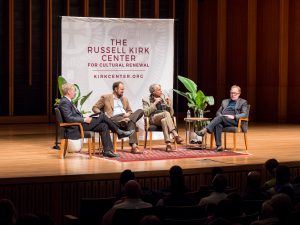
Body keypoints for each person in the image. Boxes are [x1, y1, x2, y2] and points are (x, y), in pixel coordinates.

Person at [58, 83, 134, 158]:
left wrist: (85, 118)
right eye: (74, 91)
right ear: (69, 92)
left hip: (79, 124)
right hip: (76, 127)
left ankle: (108, 151)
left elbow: (72, 116)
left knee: (104, 126)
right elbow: (69, 118)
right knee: (102, 115)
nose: (75, 93)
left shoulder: (68, 101)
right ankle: (119, 132)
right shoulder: (65, 102)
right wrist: (84, 119)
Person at [92, 81, 144, 154]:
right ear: (115, 89)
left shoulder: (125, 99)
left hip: (124, 117)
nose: (123, 91)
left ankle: (127, 120)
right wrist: (103, 114)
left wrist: (128, 114)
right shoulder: (106, 97)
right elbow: (95, 108)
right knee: (131, 122)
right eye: (121, 89)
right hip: (113, 118)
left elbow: (130, 111)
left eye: (123, 90)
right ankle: (134, 147)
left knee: (140, 111)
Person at [196, 85, 248, 151]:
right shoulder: (225, 101)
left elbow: (244, 114)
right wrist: (222, 116)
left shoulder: (243, 102)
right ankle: (219, 146)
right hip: (223, 119)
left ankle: (205, 130)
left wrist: (234, 116)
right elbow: (218, 112)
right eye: (231, 93)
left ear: (239, 94)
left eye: (235, 93)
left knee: (220, 118)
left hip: (234, 121)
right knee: (218, 124)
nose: (232, 95)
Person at [142, 84, 183, 151]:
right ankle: (175, 134)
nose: (161, 91)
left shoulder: (163, 98)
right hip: (153, 119)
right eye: (159, 90)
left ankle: (168, 144)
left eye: (161, 89)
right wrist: (154, 103)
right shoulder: (146, 99)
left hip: (163, 118)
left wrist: (169, 104)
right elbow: (146, 113)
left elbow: (171, 114)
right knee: (166, 113)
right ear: (153, 92)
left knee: (164, 120)